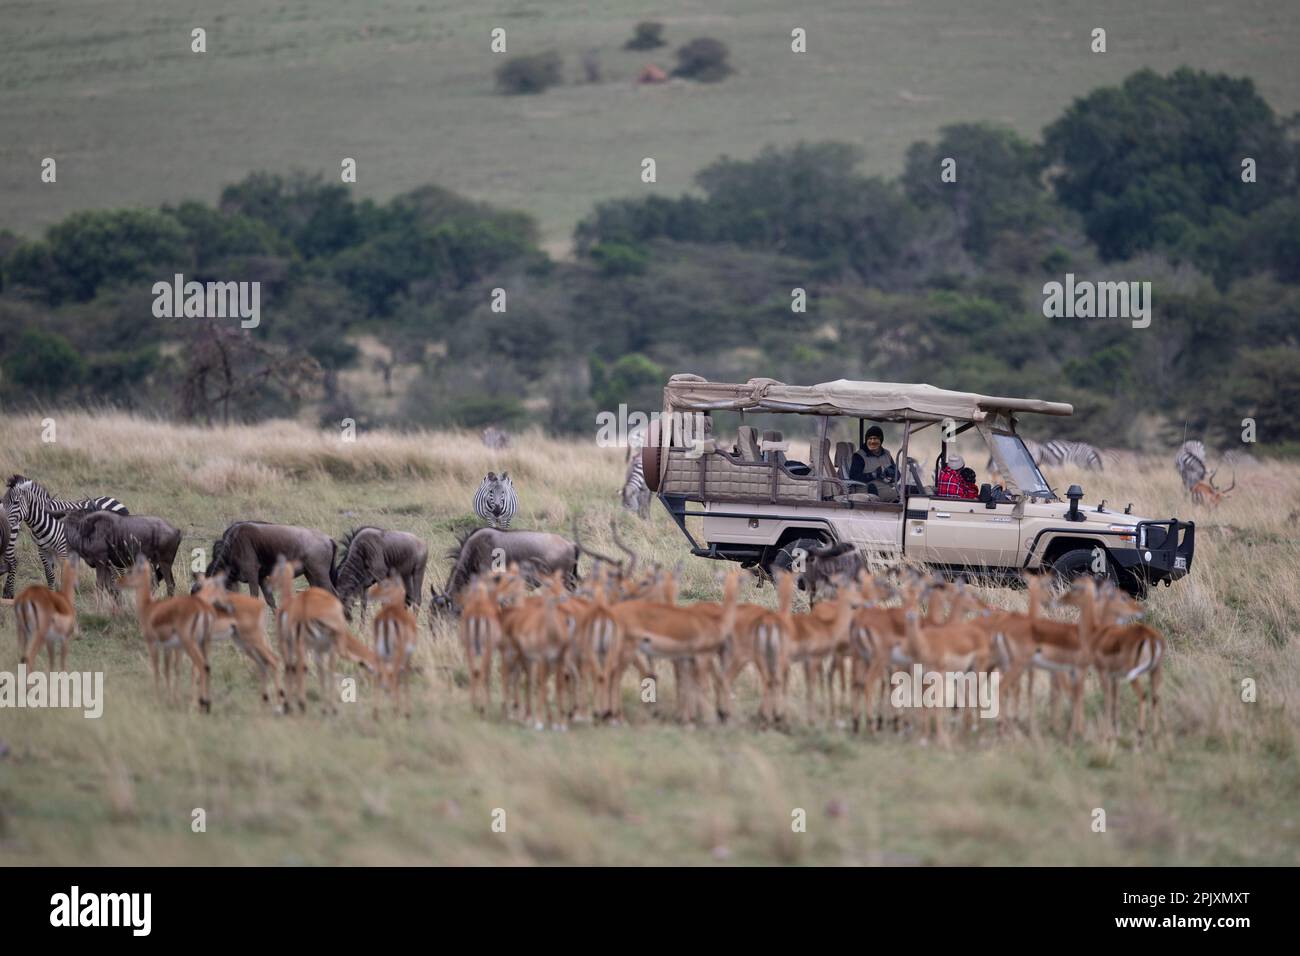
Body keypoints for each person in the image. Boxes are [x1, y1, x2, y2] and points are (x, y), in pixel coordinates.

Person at [849, 425, 897, 491]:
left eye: (875, 439)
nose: (872, 442)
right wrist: (873, 475)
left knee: (909, 490)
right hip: (868, 492)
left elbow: (897, 473)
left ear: (881, 440)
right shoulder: (859, 456)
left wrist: (891, 473)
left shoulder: (887, 454)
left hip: (888, 488)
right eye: (870, 439)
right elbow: (854, 477)